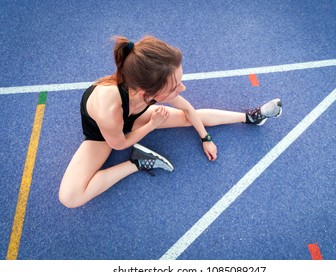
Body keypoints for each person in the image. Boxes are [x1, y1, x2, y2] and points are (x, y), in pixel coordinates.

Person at [59, 35, 282, 208]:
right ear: (149, 91)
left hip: (133, 118)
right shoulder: (108, 109)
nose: (182, 89)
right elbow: (119, 144)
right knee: (70, 197)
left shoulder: (152, 83)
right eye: (175, 86)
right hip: (103, 135)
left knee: (187, 118)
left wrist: (205, 137)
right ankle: (136, 162)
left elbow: (188, 109)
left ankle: (251, 117)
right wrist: (151, 125)